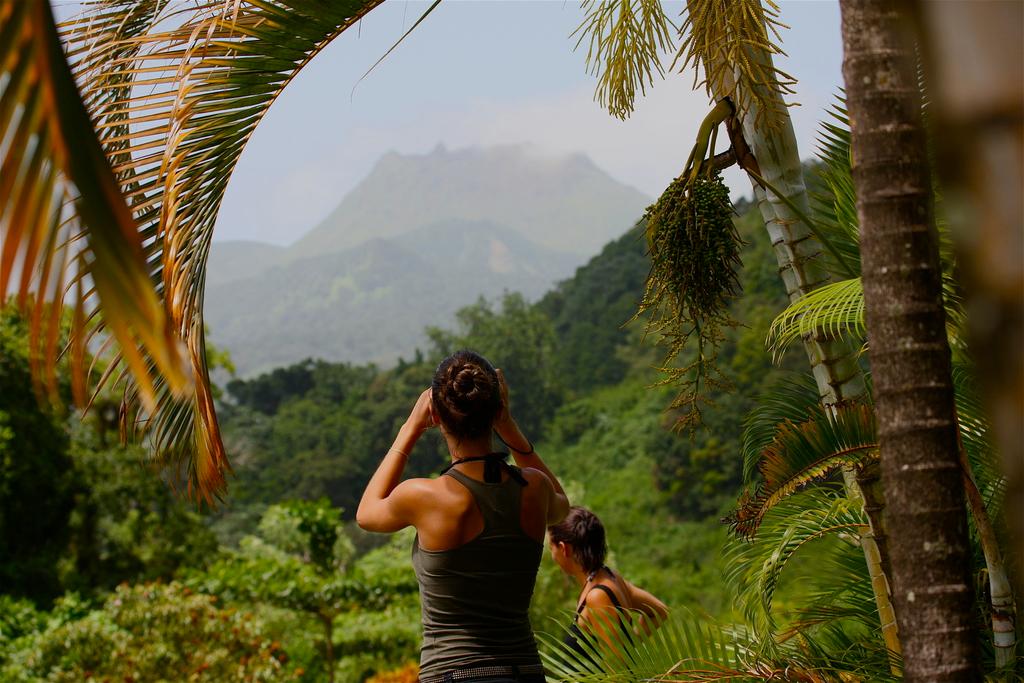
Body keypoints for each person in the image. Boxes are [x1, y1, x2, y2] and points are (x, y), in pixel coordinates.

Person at [357, 350, 570, 683]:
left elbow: (367, 513)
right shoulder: (534, 488)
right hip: (525, 671)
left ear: (437, 417)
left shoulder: (426, 497)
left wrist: (410, 428)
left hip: (455, 674)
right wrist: (509, 426)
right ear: (497, 410)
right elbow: (562, 506)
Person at [547, 507, 668, 653]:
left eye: (550, 548)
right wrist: (630, 645)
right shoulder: (610, 576)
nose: (552, 555)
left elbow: (616, 670)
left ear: (563, 548)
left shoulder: (598, 596)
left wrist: (627, 648)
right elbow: (658, 611)